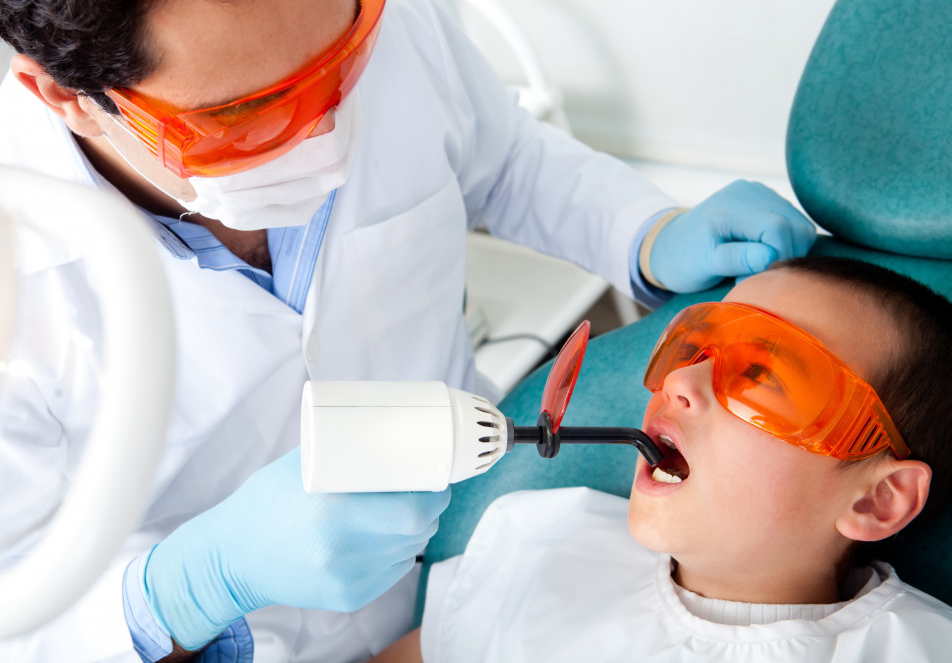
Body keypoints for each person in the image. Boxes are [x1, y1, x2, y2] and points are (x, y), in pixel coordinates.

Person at [0, 0, 815, 661]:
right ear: (62, 94)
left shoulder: (376, 13)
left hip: (462, 563)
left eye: (344, 60)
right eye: (247, 116)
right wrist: (185, 589)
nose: (329, 130)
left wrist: (646, 234)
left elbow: (503, 160)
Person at [374, 256, 952, 662]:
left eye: (760, 375)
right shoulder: (540, 546)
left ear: (878, 499)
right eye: (694, 347)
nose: (679, 379)